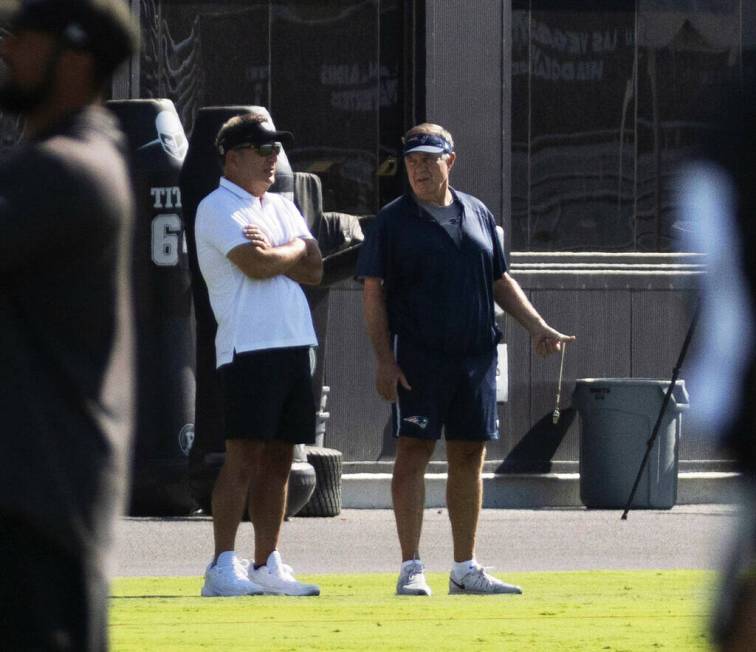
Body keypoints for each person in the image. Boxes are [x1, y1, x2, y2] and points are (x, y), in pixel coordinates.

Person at [357, 122, 575, 596]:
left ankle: (464, 568)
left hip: (476, 354)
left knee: (469, 456)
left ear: (449, 161)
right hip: (416, 356)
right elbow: (372, 295)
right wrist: (382, 359)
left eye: (428, 159)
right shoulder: (391, 221)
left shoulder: (477, 211)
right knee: (413, 452)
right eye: (412, 161)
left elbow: (500, 279)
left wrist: (537, 326)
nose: (418, 169)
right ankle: (411, 566)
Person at [0, 0, 138, 649]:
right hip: (48, 495)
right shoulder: (85, 157)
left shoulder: (60, 170)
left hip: (31, 503)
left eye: (23, 38)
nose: (7, 49)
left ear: (75, 59)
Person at [194, 113, 323, 597]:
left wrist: (282, 249)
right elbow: (256, 263)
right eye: (262, 150)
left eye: (276, 151)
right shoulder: (215, 206)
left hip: (294, 344)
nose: (274, 159)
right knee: (242, 458)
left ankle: (267, 564)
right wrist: (289, 252)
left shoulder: (283, 207)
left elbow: (314, 269)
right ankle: (221, 567)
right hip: (248, 346)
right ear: (233, 157)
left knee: (281, 461)